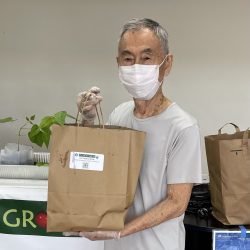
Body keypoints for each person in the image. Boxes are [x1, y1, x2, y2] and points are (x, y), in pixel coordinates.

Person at [76, 18, 202, 250]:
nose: (136, 67)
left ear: (167, 63)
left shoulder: (182, 127)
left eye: (146, 58)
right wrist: (88, 119)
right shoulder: (119, 115)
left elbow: (176, 202)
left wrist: (119, 232)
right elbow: (95, 166)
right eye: (127, 58)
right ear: (118, 64)